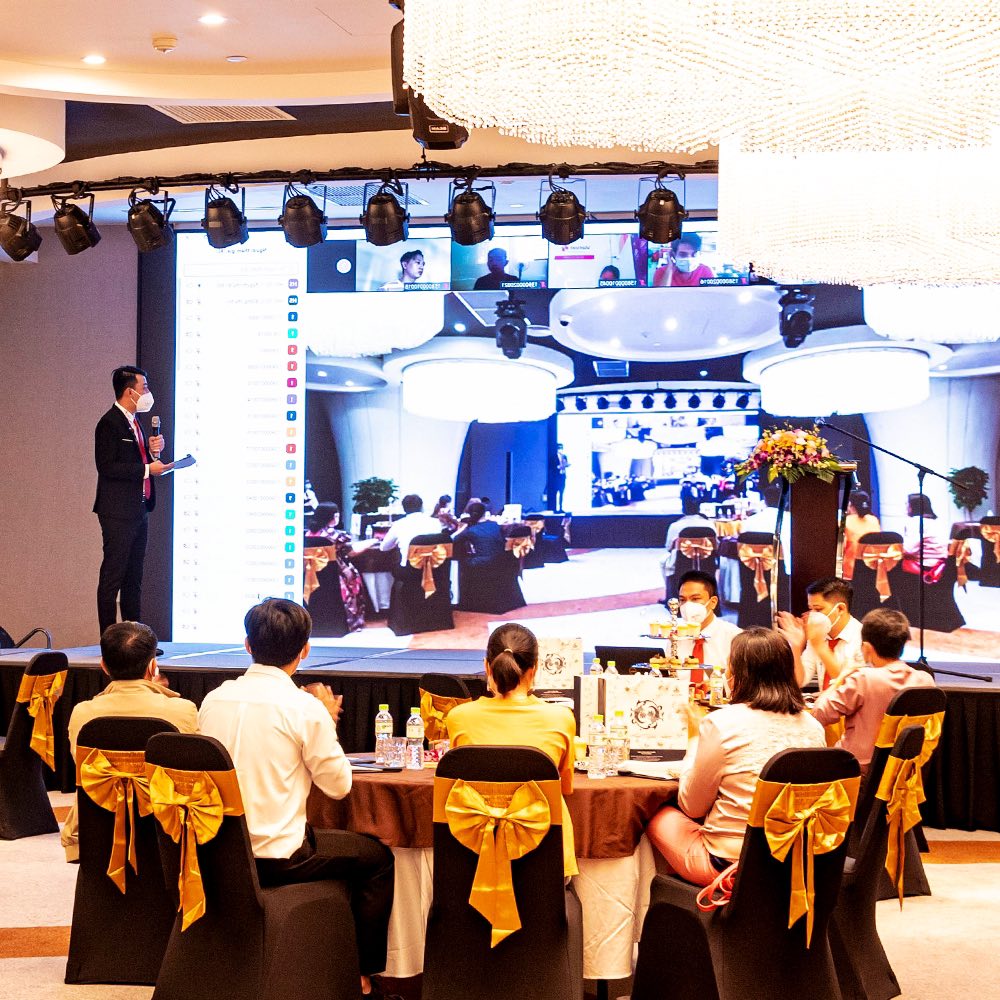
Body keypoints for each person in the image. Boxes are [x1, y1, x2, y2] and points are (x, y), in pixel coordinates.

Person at [198, 599, 396, 999]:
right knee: (377, 858)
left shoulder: (214, 699)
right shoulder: (304, 707)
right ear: (305, 649)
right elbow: (338, 786)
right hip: (278, 859)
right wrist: (327, 719)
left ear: (247, 645)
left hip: (215, 852)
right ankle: (362, 978)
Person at [645, 627, 825, 886]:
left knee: (656, 815)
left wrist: (694, 737)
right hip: (796, 862)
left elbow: (691, 805)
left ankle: (656, 904)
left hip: (730, 867)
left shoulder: (722, 723)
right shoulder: (814, 727)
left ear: (738, 676)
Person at [446, 623, 578, 877]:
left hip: (472, 856)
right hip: (545, 859)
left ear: (487, 667)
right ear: (535, 668)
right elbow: (564, 788)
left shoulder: (458, 717)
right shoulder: (561, 718)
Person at [61, 622, 198, 862]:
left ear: (103, 666)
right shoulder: (182, 711)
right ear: (153, 666)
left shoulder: (83, 713)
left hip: (97, 827)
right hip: (167, 829)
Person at [810, 609, 935, 773]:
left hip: (855, 774)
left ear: (867, 648)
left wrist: (841, 679)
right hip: (904, 775)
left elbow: (817, 716)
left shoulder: (863, 679)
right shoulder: (926, 681)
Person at [94, 365, 167, 636]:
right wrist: (148, 468)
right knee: (113, 576)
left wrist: (152, 453)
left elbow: (134, 459)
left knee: (134, 578)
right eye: (144, 387)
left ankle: (135, 641)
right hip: (117, 512)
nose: (148, 393)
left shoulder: (134, 422)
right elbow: (107, 466)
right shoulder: (109, 423)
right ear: (129, 392)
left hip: (139, 508)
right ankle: (109, 640)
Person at [776, 577, 865, 689]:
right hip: (825, 700)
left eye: (818, 609)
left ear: (840, 609)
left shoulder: (863, 637)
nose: (812, 615)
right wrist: (796, 647)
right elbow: (799, 681)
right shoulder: (818, 635)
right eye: (811, 609)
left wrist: (820, 646)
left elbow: (851, 687)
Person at [304, 502, 365, 632]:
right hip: (335, 574)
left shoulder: (307, 534)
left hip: (311, 574)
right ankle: (354, 621)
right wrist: (372, 541)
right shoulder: (335, 535)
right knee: (354, 577)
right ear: (330, 517)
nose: (338, 518)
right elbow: (352, 552)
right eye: (336, 515)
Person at [676, 571, 742, 671]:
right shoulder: (676, 637)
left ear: (713, 602)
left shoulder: (734, 637)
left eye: (695, 599)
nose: (687, 606)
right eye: (682, 600)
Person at [378, 494, 442, 566]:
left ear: (404, 509)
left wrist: (396, 543)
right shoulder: (436, 522)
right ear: (422, 507)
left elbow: (383, 548)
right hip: (435, 568)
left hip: (410, 570)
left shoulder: (399, 524)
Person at [660, 494, 712, 580]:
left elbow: (668, 547)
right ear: (698, 509)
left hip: (680, 563)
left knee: (662, 561)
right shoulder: (710, 524)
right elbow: (716, 546)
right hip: (707, 562)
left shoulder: (675, 526)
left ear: (683, 510)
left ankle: (671, 587)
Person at [902, 492, 949, 580]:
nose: (905, 507)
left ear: (914, 506)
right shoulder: (936, 522)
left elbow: (908, 550)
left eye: (907, 504)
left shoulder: (916, 522)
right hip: (941, 566)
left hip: (924, 566)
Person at [842, 489, 881, 579]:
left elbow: (841, 548)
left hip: (851, 572)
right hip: (872, 570)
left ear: (850, 504)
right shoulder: (874, 520)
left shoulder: (846, 522)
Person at [553, 444, 570, 512]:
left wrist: (566, 465)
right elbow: (552, 467)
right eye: (559, 448)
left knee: (561, 492)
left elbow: (566, 463)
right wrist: (558, 467)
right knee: (555, 492)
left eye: (561, 448)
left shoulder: (564, 456)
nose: (560, 449)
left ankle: (561, 508)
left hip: (562, 476)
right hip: (556, 477)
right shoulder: (554, 457)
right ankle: (554, 508)